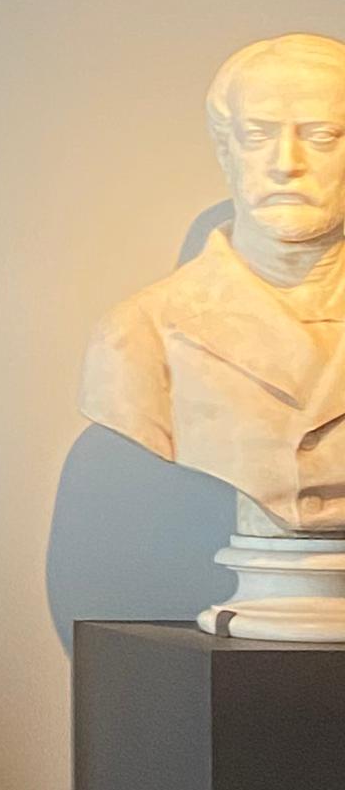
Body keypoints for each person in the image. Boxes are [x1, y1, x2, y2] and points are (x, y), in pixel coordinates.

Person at [83, 30, 345, 528]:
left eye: (321, 136)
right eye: (258, 135)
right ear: (227, 152)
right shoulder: (139, 335)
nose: (286, 164)